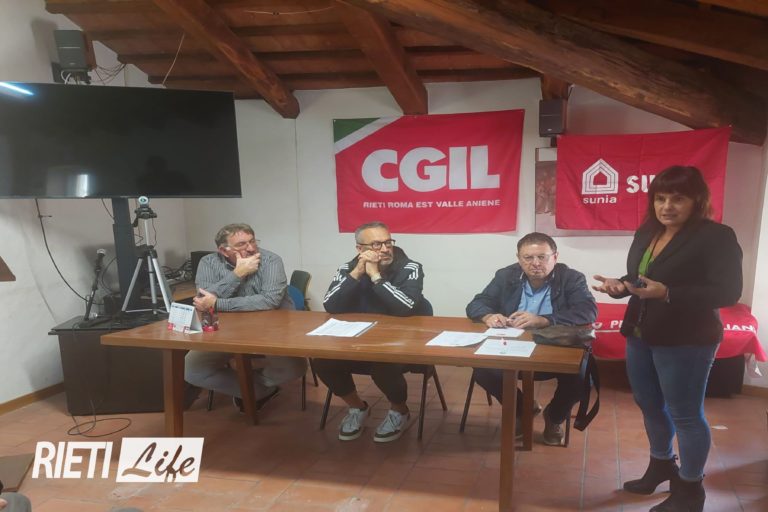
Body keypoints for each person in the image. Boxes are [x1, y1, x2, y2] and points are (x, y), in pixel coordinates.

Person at [593, 166, 742, 512]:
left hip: (688, 338)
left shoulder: (716, 236)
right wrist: (620, 285)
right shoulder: (648, 230)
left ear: (697, 200)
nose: (667, 207)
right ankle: (661, 464)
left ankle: (690, 488)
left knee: (686, 414)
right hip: (641, 332)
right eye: (660, 199)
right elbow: (641, 277)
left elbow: (727, 291)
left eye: (677, 199)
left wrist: (668, 293)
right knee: (648, 404)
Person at [466, 232, 597, 445]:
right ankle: (522, 409)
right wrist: (488, 315)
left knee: (581, 380)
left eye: (542, 257)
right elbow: (477, 303)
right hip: (512, 346)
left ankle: (554, 417)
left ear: (555, 257)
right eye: (528, 257)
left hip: (554, 347)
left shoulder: (571, 278)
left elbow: (588, 311)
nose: (535, 263)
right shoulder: (505, 276)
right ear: (519, 259)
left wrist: (544, 320)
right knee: (483, 370)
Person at [315, 221, 428, 443]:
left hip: (399, 343)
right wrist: (357, 273)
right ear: (360, 249)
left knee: (383, 365)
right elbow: (331, 305)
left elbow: (405, 307)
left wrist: (376, 277)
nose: (385, 249)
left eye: (388, 242)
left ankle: (400, 411)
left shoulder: (410, 268)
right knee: (322, 361)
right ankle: (358, 408)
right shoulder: (347, 268)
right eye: (376, 244)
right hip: (356, 341)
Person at [185, 223, 307, 411]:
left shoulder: (271, 260)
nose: (250, 248)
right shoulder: (208, 263)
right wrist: (237, 274)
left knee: (294, 368)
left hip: (273, 328)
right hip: (226, 331)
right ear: (223, 250)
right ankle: (258, 391)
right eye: (241, 245)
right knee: (192, 370)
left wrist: (217, 303)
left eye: (252, 241)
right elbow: (203, 299)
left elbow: (270, 300)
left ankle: (256, 384)